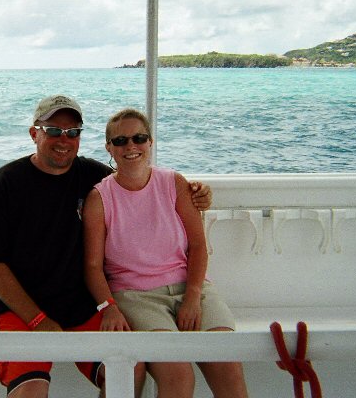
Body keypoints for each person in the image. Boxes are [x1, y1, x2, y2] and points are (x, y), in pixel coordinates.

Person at [0, 95, 213, 398]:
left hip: (81, 306)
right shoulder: (4, 184)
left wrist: (198, 194)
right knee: (30, 389)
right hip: (19, 310)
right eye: (53, 130)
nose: (63, 140)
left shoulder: (95, 178)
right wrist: (38, 320)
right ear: (34, 133)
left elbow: (139, 182)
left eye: (73, 132)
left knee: (128, 369)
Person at [83, 108, 248, 398]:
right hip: (136, 296)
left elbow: (197, 246)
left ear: (150, 142)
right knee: (178, 375)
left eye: (139, 138)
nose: (131, 146)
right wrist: (108, 307)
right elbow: (93, 266)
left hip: (191, 288)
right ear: (109, 148)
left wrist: (193, 296)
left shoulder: (174, 183)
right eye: (120, 141)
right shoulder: (100, 198)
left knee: (228, 367)